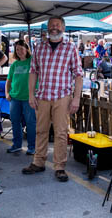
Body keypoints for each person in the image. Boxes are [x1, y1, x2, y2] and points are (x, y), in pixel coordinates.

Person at [23, 16, 83, 183]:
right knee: (40, 130)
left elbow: (78, 75)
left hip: (62, 97)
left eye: (57, 25)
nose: (54, 28)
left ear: (63, 28)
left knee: (61, 133)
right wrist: (30, 94)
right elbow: (33, 71)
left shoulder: (70, 48)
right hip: (42, 96)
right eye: (51, 25)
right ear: (47, 28)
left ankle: (59, 167)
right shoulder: (39, 47)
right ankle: (38, 162)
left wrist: (76, 98)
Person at [5, 40, 36, 155]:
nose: (19, 51)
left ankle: (32, 147)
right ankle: (17, 145)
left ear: (26, 49)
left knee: (30, 122)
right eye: (17, 49)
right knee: (15, 121)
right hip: (15, 97)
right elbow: (8, 81)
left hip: (29, 98)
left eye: (21, 49)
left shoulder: (32, 62)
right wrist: (7, 93)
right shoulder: (14, 64)